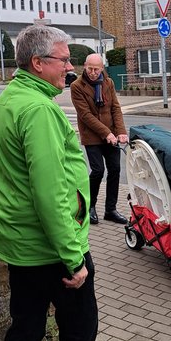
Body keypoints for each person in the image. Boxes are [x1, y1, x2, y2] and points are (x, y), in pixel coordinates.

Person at [0, 25, 98, 341]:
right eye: (64, 60)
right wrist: (73, 259)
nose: (70, 67)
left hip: (22, 246)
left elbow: (16, 158)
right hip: (51, 248)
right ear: (38, 62)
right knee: (79, 335)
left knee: (25, 332)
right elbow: (49, 193)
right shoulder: (39, 109)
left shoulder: (9, 99)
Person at [71, 53, 129, 225]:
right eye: (90, 68)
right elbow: (86, 115)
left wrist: (121, 132)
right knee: (97, 171)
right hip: (92, 136)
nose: (93, 72)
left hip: (111, 134)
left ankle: (111, 210)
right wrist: (107, 133)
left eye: (97, 69)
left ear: (102, 68)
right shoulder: (77, 86)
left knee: (115, 169)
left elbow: (115, 109)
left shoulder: (108, 82)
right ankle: (90, 207)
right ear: (84, 66)